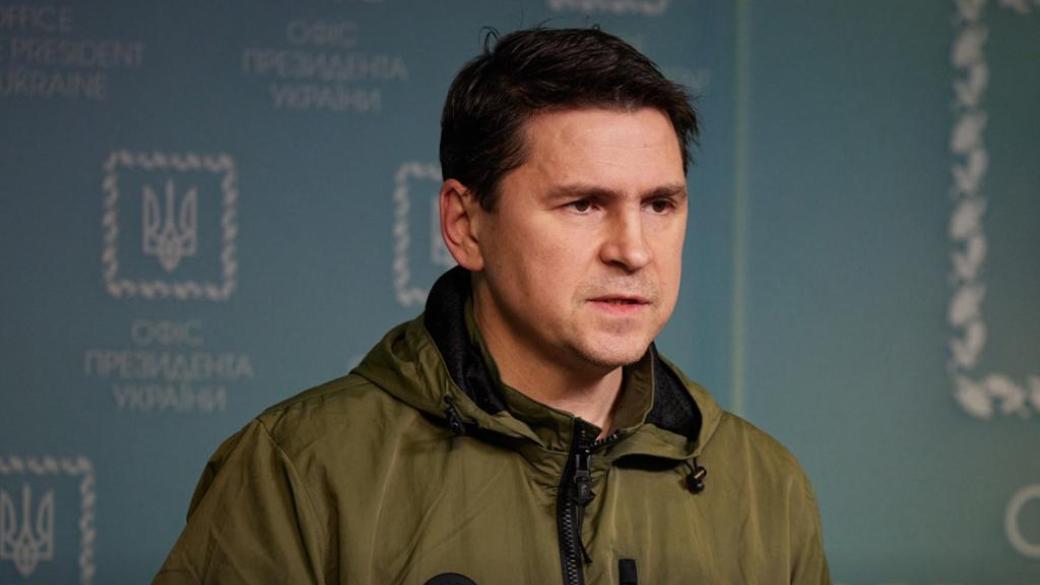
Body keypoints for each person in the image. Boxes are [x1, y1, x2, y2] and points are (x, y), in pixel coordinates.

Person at [153, 27, 830, 585]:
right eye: (583, 204)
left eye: (660, 205)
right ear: (465, 225)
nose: (633, 250)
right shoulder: (299, 470)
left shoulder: (764, 488)